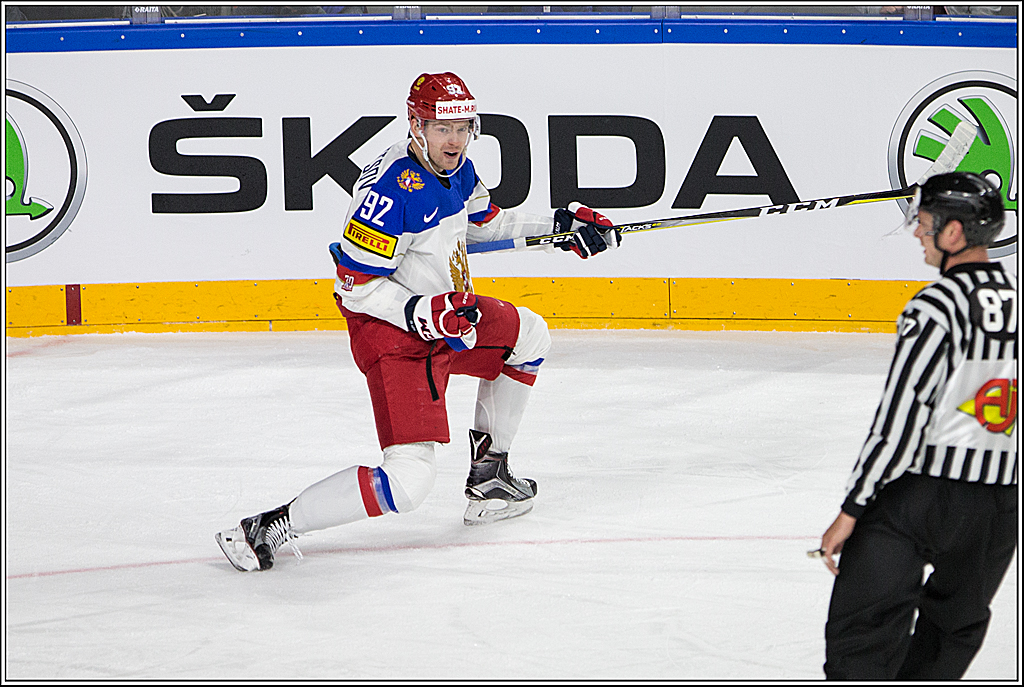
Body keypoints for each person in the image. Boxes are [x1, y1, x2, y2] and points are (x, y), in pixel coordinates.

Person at [216, 72, 622, 572]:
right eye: (440, 128)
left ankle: (490, 478)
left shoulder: (460, 171)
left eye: (462, 128)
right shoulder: (389, 190)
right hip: (391, 335)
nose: (453, 140)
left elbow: (484, 225)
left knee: (529, 334)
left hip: (449, 315)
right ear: (416, 126)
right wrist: (420, 314)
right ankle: (267, 527)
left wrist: (560, 223)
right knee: (409, 482)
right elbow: (354, 287)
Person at [816, 172, 1017, 679]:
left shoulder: (935, 307)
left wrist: (852, 508)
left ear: (954, 234)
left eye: (924, 223)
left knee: (861, 636)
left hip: (922, 501)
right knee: (951, 635)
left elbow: (900, 421)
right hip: (999, 507)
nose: (916, 234)